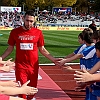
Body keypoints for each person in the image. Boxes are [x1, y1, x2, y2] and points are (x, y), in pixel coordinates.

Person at [0, 10, 60, 100]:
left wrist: (53, 59)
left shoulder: (38, 33)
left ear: (34, 21)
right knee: (22, 91)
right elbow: (10, 48)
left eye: (31, 21)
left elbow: (42, 49)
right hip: (21, 67)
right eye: (27, 20)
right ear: (23, 19)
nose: (29, 23)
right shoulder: (15, 32)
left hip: (33, 67)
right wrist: (0, 58)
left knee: (32, 90)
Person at [56, 28, 97, 100]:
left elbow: (80, 55)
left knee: (93, 94)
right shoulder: (88, 47)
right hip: (89, 74)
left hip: (91, 75)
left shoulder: (92, 48)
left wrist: (66, 62)